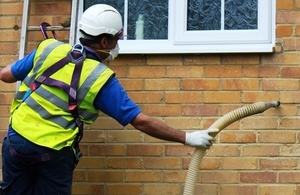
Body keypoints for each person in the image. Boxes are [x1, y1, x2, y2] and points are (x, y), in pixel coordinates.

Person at [0, 4, 218, 195]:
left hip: (16, 142)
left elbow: (6, 75)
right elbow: (140, 121)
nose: (118, 43)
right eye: (117, 38)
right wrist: (188, 137)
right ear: (104, 41)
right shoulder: (100, 78)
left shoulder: (49, 48)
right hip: (52, 154)